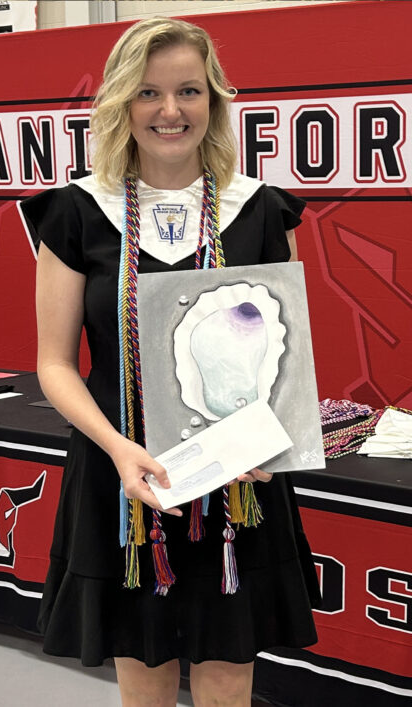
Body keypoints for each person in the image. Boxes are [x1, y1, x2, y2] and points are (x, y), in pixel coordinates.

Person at [20, 17, 320, 707]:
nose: (170, 111)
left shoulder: (259, 210)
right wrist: (119, 448)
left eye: (189, 91)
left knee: (225, 681)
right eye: (149, 93)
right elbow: (55, 364)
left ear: (213, 101)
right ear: (121, 102)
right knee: (144, 676)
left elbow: (287, 358)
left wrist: (276, 439)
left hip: (238, 484)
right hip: (124, 482)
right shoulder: (78, 212)